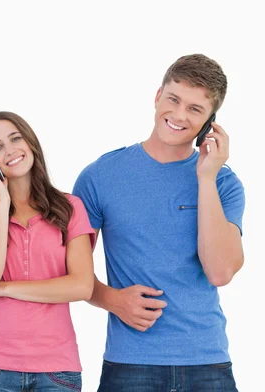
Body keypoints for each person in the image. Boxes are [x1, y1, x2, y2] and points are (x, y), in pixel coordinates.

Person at [73, 54, 245, 391]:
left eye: (195, 109)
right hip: (130, 364)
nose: (179, 115)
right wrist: (112, 300)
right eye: (174, 99)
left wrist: (206, 179)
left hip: (206, 363)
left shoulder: (224, 184)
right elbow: (69, 268)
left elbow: (220, 272)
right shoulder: (100, 176)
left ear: (210, 122)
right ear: (157, 97)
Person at [0, 111, 95, 391]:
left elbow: (82, 286)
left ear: (31, 142)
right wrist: (2, 202)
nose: (10, 150)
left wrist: (4, 289)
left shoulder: (70, 208)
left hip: (57, 368)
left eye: (15, 139)